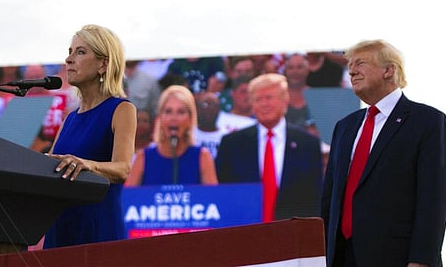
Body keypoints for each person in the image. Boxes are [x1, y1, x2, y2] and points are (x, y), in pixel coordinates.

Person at [321, 40, 446, 267]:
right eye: (350, 65)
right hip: (342, 258)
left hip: (396, 257)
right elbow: (329, 199)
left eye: (360, 63)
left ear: (389, 70)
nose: (352, 70)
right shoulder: (344, 126)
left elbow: (434, 198)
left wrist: (421, 260)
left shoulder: (427, 121)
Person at [43, 24, 137, 248]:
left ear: (104, 64)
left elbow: (123, 168)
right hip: (60, 230)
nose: (69, 60)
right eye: (69, 52)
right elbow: (51, 169)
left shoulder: (121, 109)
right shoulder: (69, 120)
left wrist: (87, 165)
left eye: (80, 52)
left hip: (98, 230)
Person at [216, 73, 323, 221]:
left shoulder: (307, 144)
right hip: (245, 231)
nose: (264, 104)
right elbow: (224, 193)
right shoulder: (231, 144)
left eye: (269, 98)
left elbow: (314, 197)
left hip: (293, 233)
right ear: (252, 105)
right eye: (258, 99)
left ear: (285, 101)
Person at [125, 85, 218, 186]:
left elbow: (214, 198)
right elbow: (128, 199)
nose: (174, 118)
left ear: (190, 119)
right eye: (168, 111)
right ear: (160, 118)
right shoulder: (143, 158)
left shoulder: (202, 157)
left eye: (181, 112)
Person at [194, 91, 224, 159]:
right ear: (197, 109)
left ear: (219, 110)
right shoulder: (189, 135)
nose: (210, 109)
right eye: (205, 105)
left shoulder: (226, 137)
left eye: (214, 105)